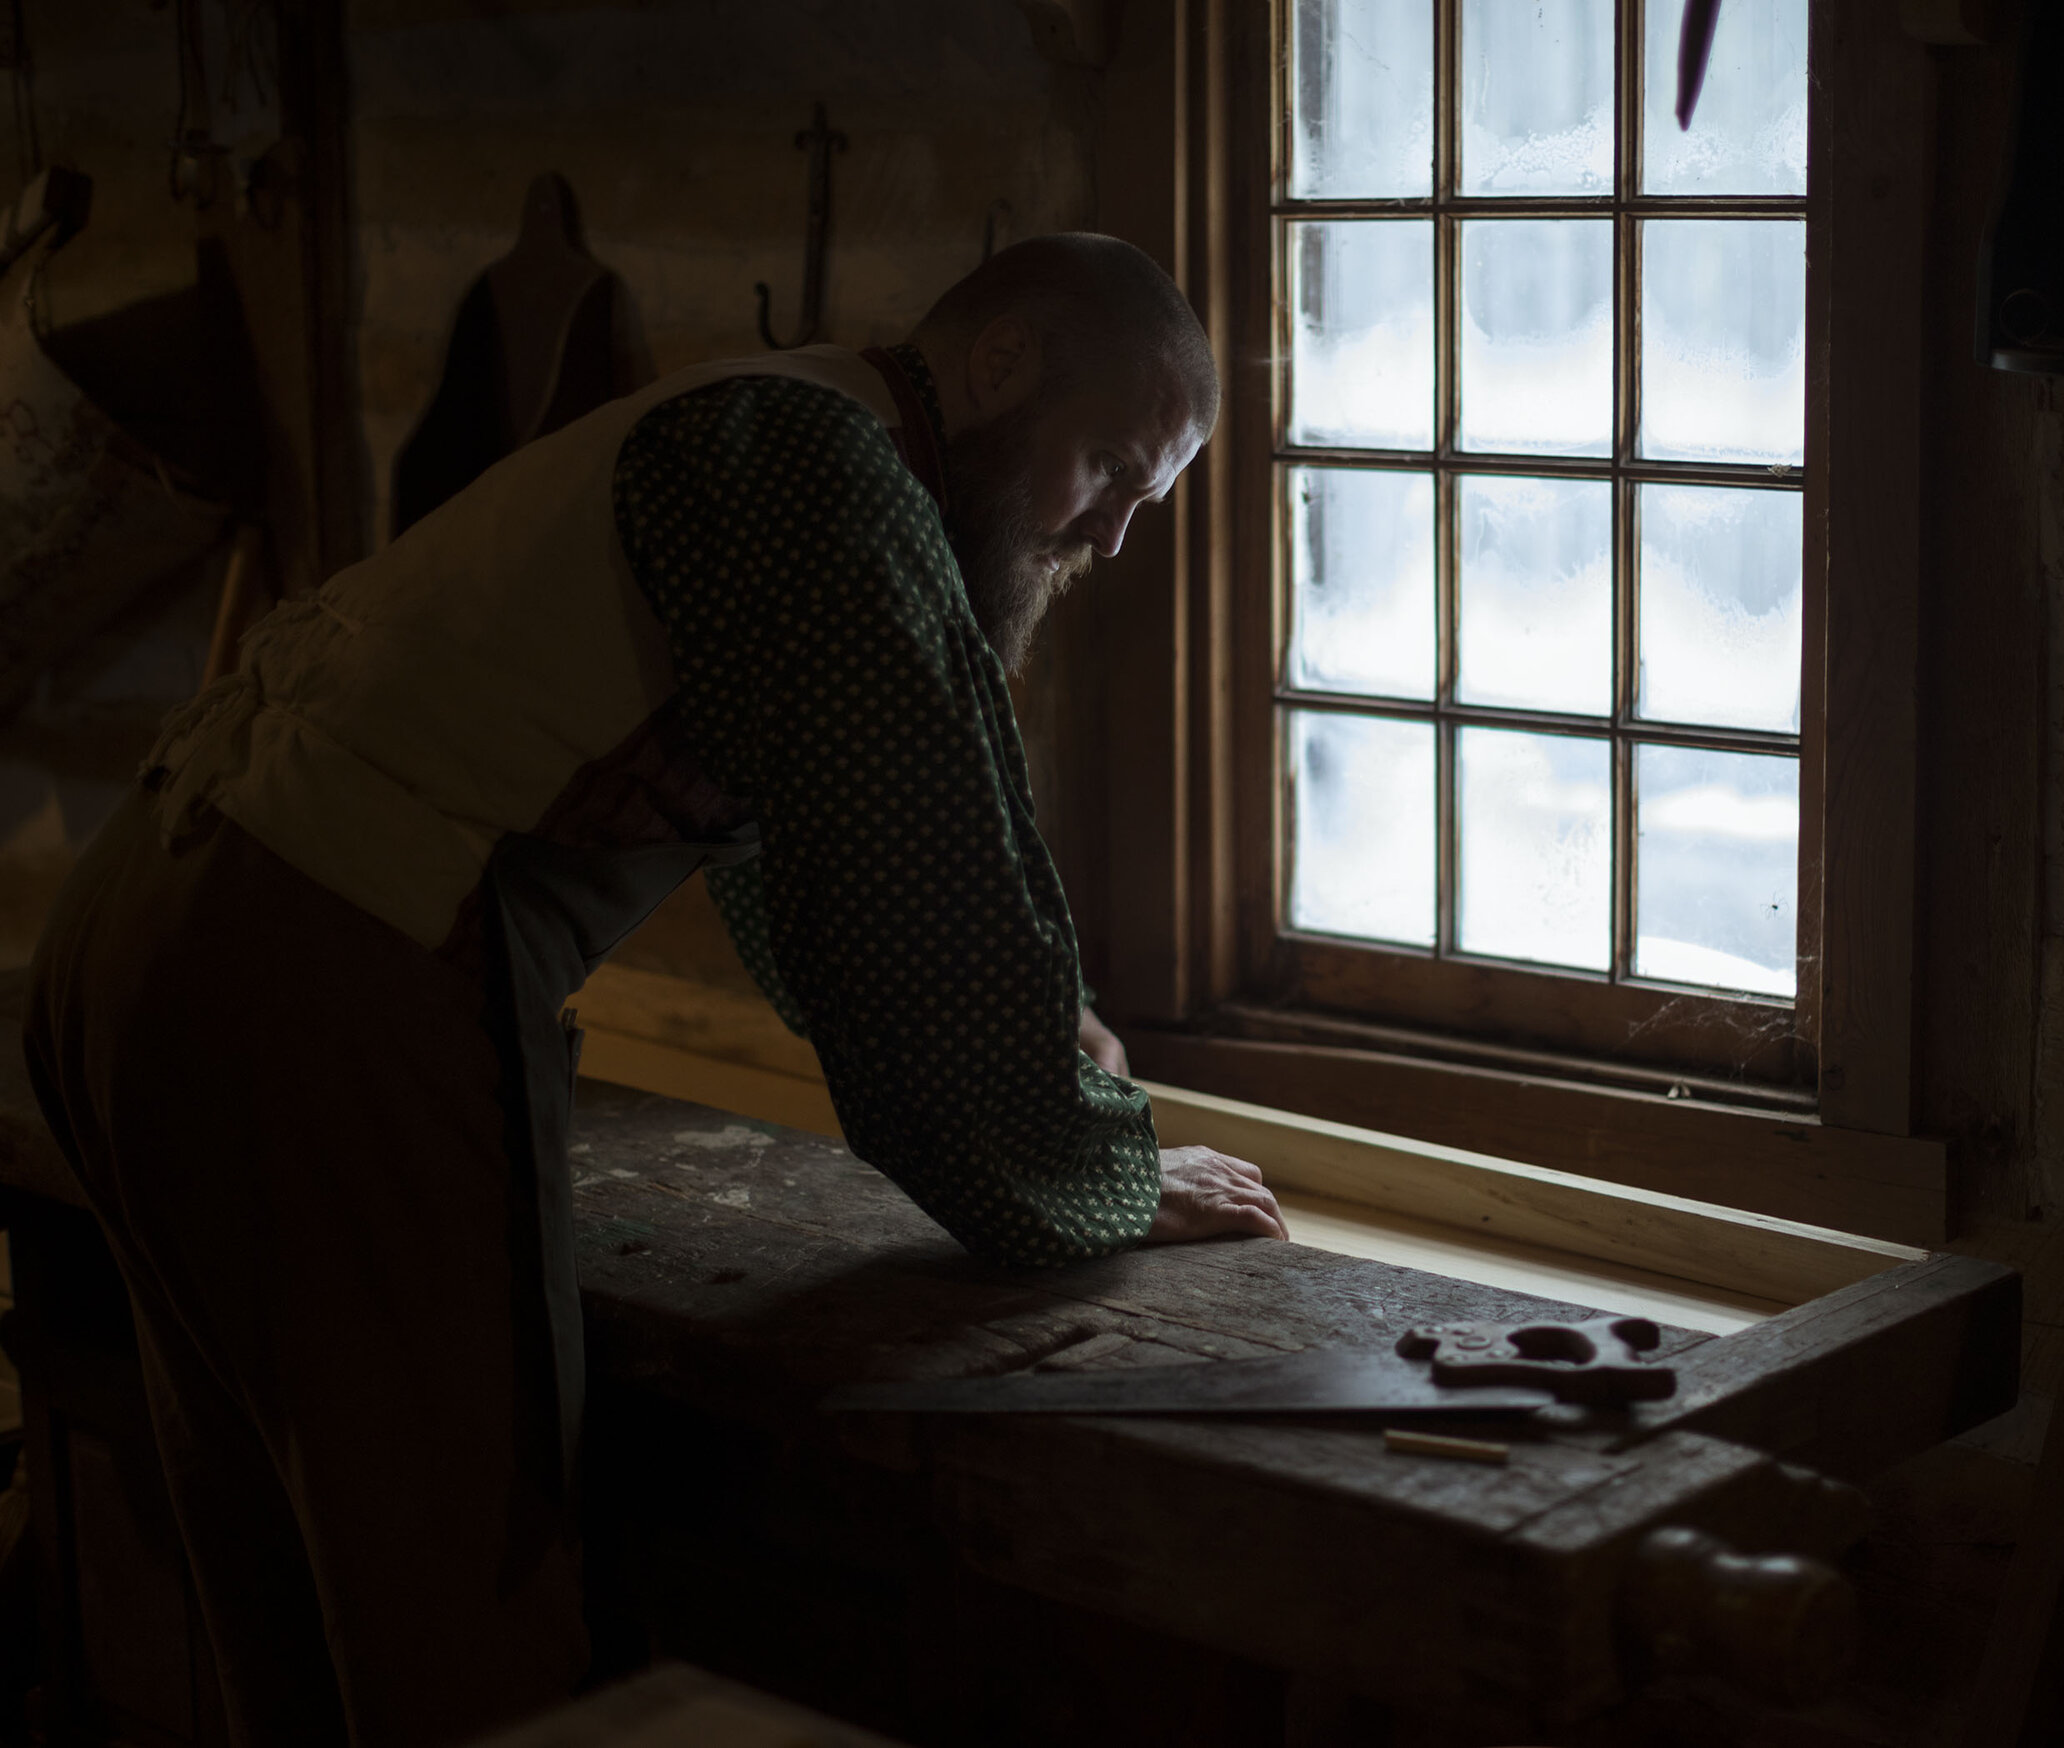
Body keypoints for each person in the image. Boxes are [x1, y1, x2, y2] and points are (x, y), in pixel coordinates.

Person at [22, 232, 1284, 1746]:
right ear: (1002, 363)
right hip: (323, 966)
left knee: (290, 1586)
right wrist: (1094, 1158)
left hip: (149, 930)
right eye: (1109, 471)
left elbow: (826, 855)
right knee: (456, 1612)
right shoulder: (830, 478)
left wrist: (1034, 1025)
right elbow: (904, 891)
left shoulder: (765, 432)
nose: (1111, 540)